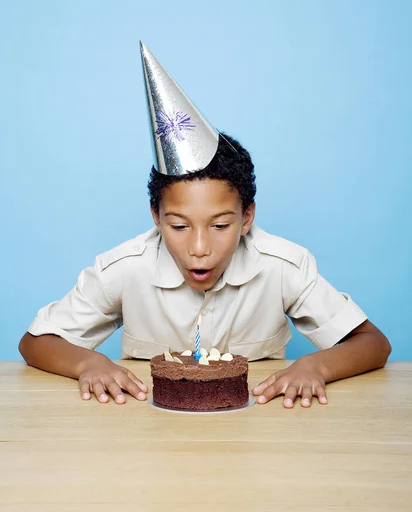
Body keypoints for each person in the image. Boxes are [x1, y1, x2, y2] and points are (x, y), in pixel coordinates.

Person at [19, 43, 391, 408]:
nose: (199, 247)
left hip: (258, 434)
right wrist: (89, 362)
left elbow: (374, 343)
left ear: (246, 217)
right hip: (147, 435)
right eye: (179, 227)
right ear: (156, 217)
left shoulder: (283, 266)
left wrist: (316, 365)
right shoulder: (125, 268)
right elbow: (34, 342)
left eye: (220, 225)